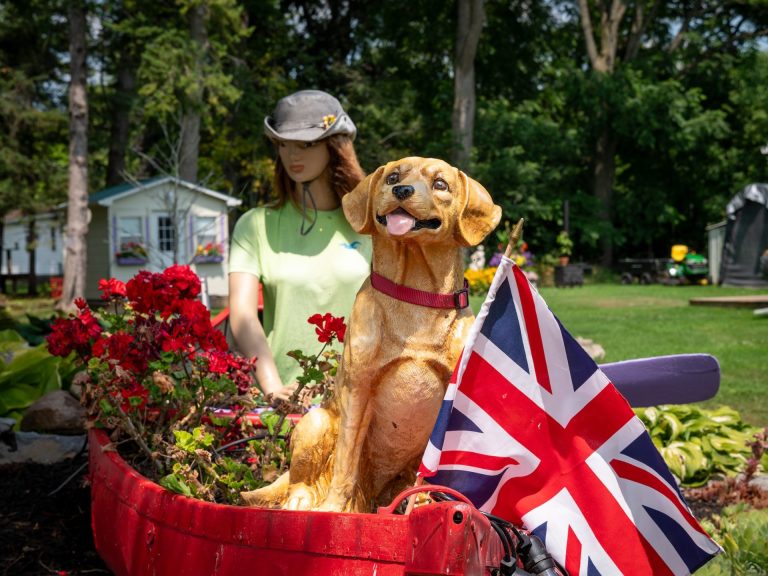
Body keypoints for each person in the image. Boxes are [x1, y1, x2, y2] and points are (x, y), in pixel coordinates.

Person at [228, 90, 372, 400]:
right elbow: (241, 315)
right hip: (279, 404)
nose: (293, 155)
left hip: (356, 405)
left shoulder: (371, 226)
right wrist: (273, 387)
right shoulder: (256, 225)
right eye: (283, 144)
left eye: (306, 144)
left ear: (336, 146)